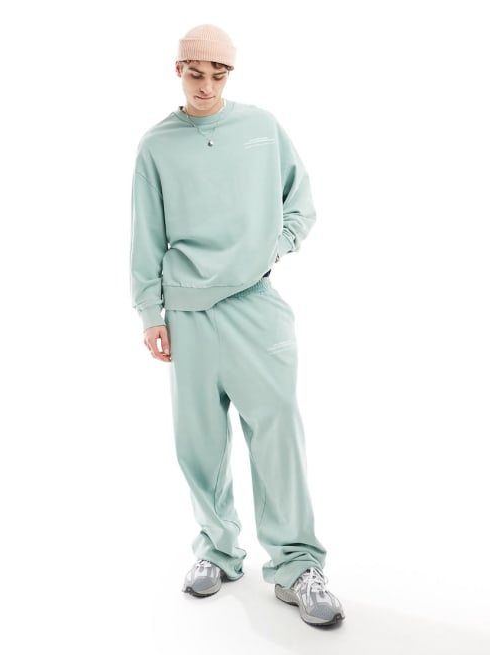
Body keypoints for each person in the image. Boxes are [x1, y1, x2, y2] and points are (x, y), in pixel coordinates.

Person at [130, 24, 345, 627]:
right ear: (178, 70)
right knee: (198, 443)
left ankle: (297, 565)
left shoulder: (261, 127)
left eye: (218, 74)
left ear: (230, 74)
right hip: (187, 312)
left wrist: (275, 245)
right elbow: (145, 233)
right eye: (195, 73)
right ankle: (218, 550)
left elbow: (300, 202)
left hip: (255, 303)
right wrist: (150, 312)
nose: (206, 85)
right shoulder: (156, 146)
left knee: (278, 435)